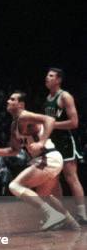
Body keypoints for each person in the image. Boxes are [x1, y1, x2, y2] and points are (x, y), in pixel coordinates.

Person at [0, 91, 78, 230]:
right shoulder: (14, 125)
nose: (8, 101)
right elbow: (14, 150)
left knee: (14, 186)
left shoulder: (24, 115)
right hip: (48, 159)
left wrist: (41, 142)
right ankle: (72, 223)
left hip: (48, 157)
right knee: (45, 197)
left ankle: (51, 215)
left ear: (21, 104)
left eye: (12, 99)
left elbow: (50, 120)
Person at [42, 68, 86, 223]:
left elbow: (74, 123)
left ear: (59, 80)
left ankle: (82, 214)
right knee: (54, 179)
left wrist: (53, 125)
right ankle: (62, 215)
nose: (47, 78)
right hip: (52, 143)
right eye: (47, 75)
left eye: (51, 76)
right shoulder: (48, 98)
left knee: (71, 177)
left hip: (65, 141)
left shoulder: (65, 96)